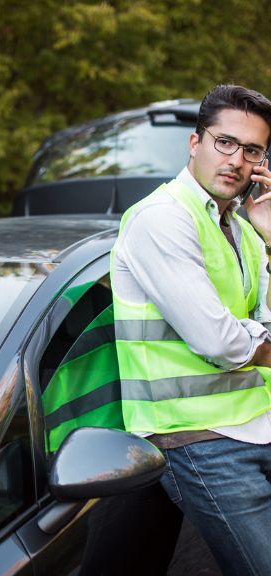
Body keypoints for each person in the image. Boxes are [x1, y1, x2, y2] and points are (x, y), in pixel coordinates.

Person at [111, 84, 271, 576]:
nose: (237, 160)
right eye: (225, 142)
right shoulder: (161, 219)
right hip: (198, 441)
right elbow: (218, 341)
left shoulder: (242, 227)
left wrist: (270, 234)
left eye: (252, 150)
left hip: (257, 423)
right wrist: (252, 337)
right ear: (195, 142)